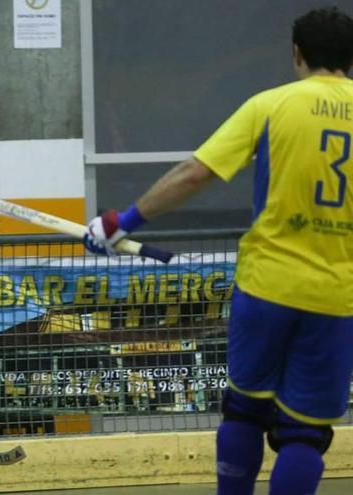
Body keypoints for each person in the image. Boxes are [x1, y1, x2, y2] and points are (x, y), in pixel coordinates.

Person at [82, 6, 353, 495]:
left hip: (267, 285)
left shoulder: (270, 106)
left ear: (297, 54)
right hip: (339, 298)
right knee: (305, 435)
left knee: (245, 412)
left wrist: (123, 220)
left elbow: (196, 172)